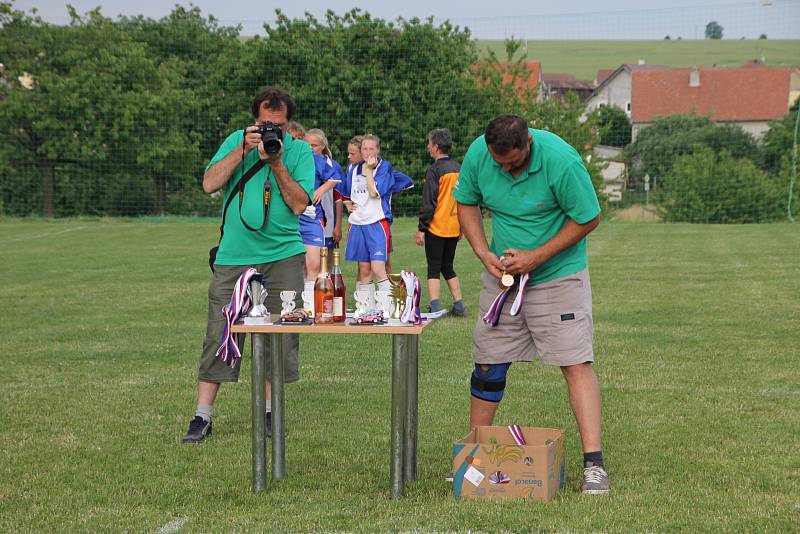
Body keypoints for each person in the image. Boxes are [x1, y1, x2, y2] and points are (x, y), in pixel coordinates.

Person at [452, 114, 608, 494]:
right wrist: (481, 251)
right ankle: (474, 456)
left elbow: (588, 218)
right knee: (488, 363)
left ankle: (594, 465)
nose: (505, 169)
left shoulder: (561, 160)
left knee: (575, 361)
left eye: (513, 162)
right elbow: (466, 202)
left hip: (558, 275)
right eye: (498, 162)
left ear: (528, 145)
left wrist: (535, 257)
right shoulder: (478, 154)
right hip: (503, 276)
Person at [182, 86, 314, 443]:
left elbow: (300, 203)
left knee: (281, 337)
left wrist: (277, 162)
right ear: (254, 121)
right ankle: (202, 417)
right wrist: (242, 149)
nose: (272, 132)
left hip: (283, 255)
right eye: (265, 125)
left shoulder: (300, 152)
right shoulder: (236, 142)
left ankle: (272, 414)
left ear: (289, 125)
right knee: (220, 332)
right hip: (234, 257)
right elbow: (209, 183)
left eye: (279, 126)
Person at [416, 128, 466, 316]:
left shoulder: (435, 170)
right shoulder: (459, 168)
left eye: (429, 143)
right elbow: (463, 200)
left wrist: (422, 228)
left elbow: (429, 202)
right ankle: (459, 305)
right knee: (448, 266)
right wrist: (462, 225)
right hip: (454, 227)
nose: (428, 147)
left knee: (434, 267)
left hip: (436, 227)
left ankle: (435, 307)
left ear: (436, 147)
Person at [340, 134, 398, 297]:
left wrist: (370, 171)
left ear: (377, 150)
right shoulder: (352, 168)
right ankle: (365, 310)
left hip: (376, 223)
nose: (367, 152)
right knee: (364, 269)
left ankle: (388, 307)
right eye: (364, 148)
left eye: (371, 148)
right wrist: (347, 204)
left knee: (378, 268)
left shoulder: (384, 167)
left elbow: (373, 193)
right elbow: (347, 192)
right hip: (357, 223)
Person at [305, 128, 345, 251]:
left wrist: (337, 226)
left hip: (328, 217)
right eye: (308, 145)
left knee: (327, 258)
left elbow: (338, 199)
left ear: (323, 145)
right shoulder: (304, 161)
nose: (310, 148)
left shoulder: (333, 165)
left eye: (314, 145)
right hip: (310, 215)